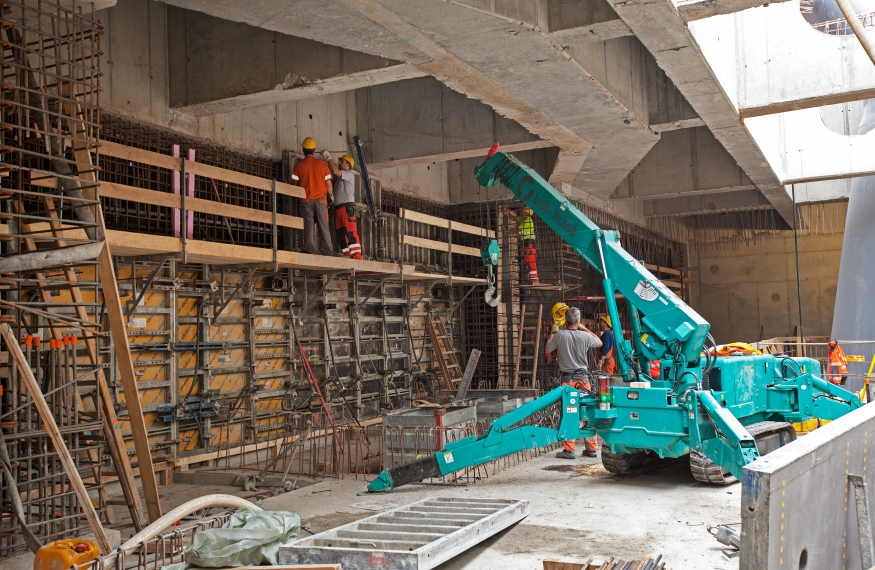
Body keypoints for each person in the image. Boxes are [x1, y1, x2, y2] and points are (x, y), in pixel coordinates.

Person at [545, 306, 602, 459]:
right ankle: (592, 449)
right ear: (578, 320)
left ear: (565, 320)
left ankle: (569, 450)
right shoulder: (585, 337)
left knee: (569, 412)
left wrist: (553, 330)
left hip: (567, 382)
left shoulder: (560, 335)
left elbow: (548, 348)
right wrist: (584, 328)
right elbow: (599, 342)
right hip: (583, 381)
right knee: (587, 413)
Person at [291, 137, 333, 256]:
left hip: (306, 200)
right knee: (323, 225)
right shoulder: (323, 166)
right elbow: (328, 185)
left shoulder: (298, 166)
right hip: (321, 200)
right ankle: (327, 251)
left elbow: (294, 184)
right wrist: (330, 196)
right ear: (314, 150)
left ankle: (309, 249)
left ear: (303, 150)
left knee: (308, 225)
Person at [323, 151, 362, 259]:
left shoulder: (349, 174)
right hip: (338, 209)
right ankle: (347, 254)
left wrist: (328, 158)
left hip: (346, 208)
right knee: (341, 234)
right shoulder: (339, 180)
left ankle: (357, 256)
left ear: (348, 165)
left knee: (350, 232)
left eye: (342, 162)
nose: (339, 163)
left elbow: (335, 171)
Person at [517, 206, 539, 284]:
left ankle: (534, 280)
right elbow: (515, 218)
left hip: (529, 245)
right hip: (528, 245)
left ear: (526, 213)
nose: (521, 212)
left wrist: (507, 231)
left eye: (523, 211)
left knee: (531, 263)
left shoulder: (527, 222)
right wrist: (507, 214)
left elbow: (517, 230)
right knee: (530, 263)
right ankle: (533, 279)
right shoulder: (525, 219)